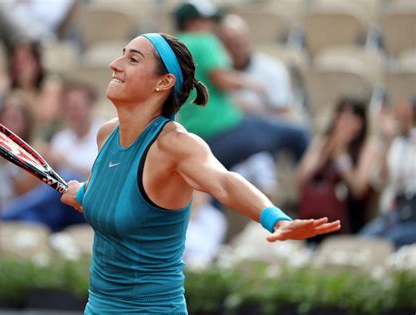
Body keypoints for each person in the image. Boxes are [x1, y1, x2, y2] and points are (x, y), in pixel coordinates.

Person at [60, 32, 340, 314]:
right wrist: (84, 192)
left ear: (164, 82)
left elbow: (224, 182)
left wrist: (275, 219)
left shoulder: (176, 145)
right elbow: (113, 196)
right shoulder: (106, 135)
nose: (114, 64)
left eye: (132, 59)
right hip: (97, 307)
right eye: (122, 54)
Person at [173, 1, 309, 170]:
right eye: (207, 20)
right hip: (222, 129)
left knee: (222, 183)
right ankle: (313, 191)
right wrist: (252, 84)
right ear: (193, 22)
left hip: (195, 135)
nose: (212, 25)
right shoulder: (203, 40)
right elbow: (221, 80)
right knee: (297, 133)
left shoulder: (175, 48)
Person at [297, 98, 380, 242]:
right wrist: (324, 154)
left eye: (351, 119)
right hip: (317, 213)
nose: (345, 124)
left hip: (349, 216)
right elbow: (301, 179)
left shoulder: (367, 148)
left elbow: (358, 189)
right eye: (342, 117)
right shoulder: (322, 142)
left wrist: (342, 157)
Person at [360, 97, 416, 248]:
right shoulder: (398, 144)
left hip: (413, 218)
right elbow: (380, 180)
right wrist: (387, 141)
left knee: (389, 243)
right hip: (394, 214)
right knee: (363, 240)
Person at [51, 81, 104, 178]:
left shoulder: (105, 134)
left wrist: (68, 164)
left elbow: (100, 174)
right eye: (69, 108)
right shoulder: (60, 139)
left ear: (90, 106)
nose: (74, 113)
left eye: (77, 108)